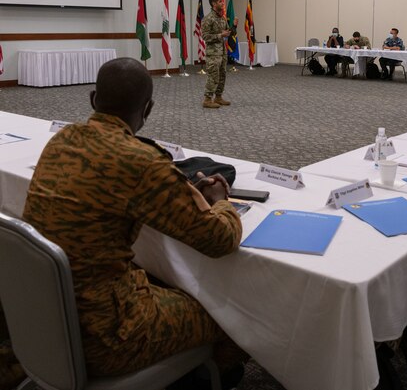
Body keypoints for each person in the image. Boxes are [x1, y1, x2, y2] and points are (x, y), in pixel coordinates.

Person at [22, 58, 246, 387]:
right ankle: (208, 378)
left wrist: (176, 194)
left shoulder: (62, 140)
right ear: (149, 109)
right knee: (228, 312)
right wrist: (219, 202)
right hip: (107, 336)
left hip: (44, 316)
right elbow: (221, 240)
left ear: (93, 99)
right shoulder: (142, 162)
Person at [201, 0, 235, 109]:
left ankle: (218, 97)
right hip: (213, 53)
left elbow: (228, 32)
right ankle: (207, 99)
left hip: (223, 52)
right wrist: (220, 35)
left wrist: (234, 27)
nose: (222, 3)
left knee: (222, 75)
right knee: (213, 75)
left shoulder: (222, 18)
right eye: (220, 1)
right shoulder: (208, 18)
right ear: (214, 4)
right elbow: (205, 37)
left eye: (222, 1)